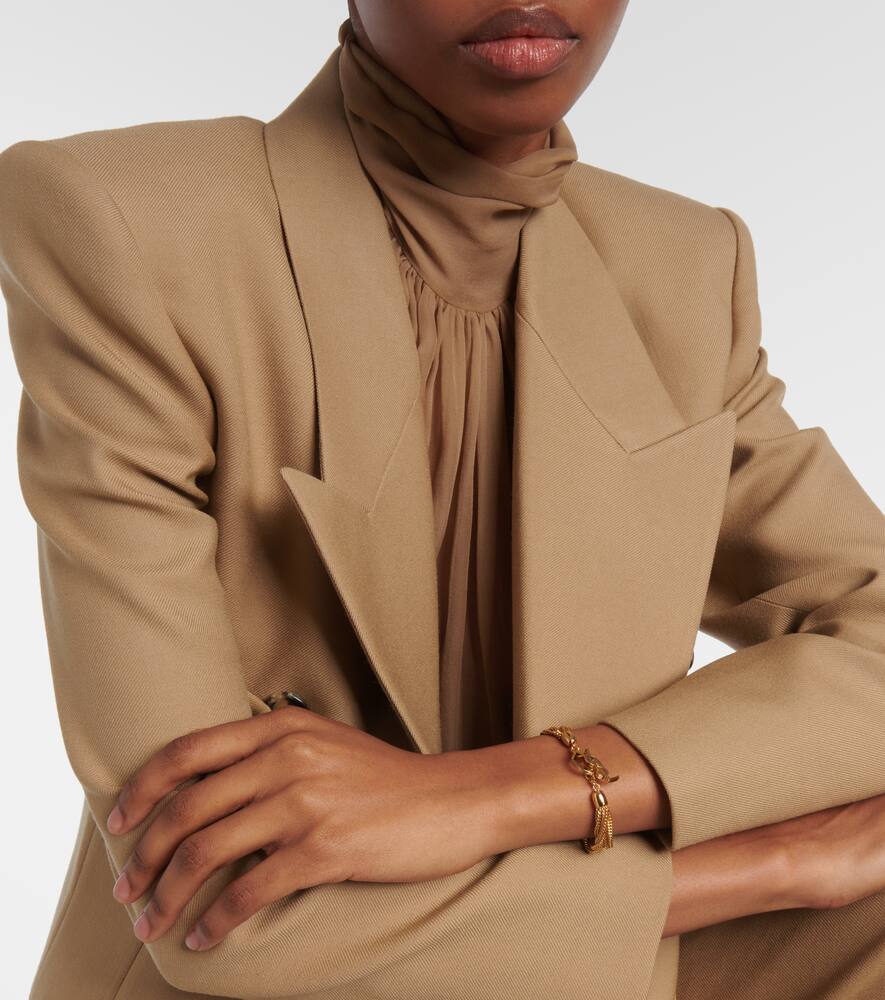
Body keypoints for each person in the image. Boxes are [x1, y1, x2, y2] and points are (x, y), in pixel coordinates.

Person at [1, 3, 883, 998]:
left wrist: (481, 794)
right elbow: (224, 906)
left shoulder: (682, 263)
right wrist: (775, 863)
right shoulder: (131, 224)